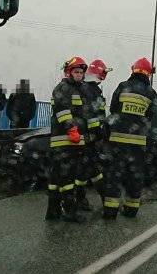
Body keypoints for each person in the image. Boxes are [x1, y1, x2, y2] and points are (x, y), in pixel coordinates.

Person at [102, 57, 157, 219]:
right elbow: (151, 117)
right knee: (135, 176)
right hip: (138, 144)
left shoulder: (123, 86)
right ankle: (131, 210)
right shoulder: (151, 93)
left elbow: (113, 109)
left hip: (117, 141)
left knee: (114, 175)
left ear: (133, 70)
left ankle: (110, 212)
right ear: (148, 73)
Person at [46, 57, 89, 222]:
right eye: (76, 72)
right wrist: (72, 129)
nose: (79, 75)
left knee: (56, 178)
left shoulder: (78, 90)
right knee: (68, 177)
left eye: (81, 72)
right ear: (69, 72)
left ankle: (53, 210)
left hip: (67, 140)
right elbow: (62, 110)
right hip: (66, 139)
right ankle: (70, 211)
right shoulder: (64, 88)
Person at [78, 59, 112, 211]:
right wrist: (100, 133)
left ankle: (82, 200)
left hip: (82, 137)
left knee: (88, 170)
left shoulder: (82, 88)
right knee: (91, 170)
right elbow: (94, 117)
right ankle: (106, 202)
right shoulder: (93, 91)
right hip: (89, 138)